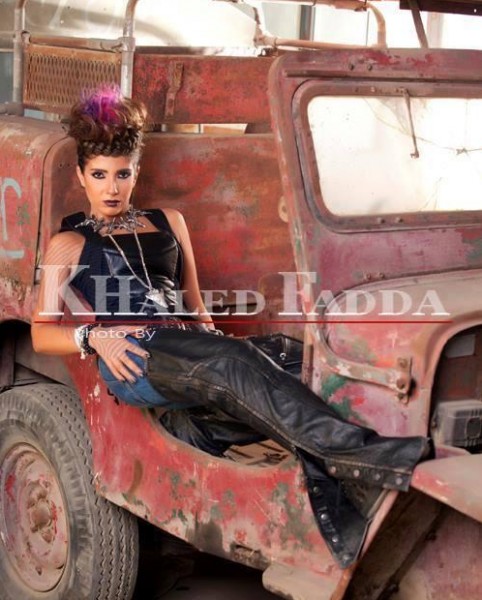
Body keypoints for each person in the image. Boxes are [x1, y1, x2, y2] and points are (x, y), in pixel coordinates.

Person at [31, 86, 432, 568]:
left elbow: (196, 304)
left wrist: (215, 339)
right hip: (133, 356)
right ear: (81, 175)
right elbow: (40, 332)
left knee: (289, 355)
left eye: (122, 173)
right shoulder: (68, 243)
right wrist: (94, 336)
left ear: (136, 171)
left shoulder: (169, 221)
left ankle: (312, 488)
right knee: (235, 363)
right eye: (99, 175)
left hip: (188, 346)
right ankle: (364, 457)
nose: (111, 188)